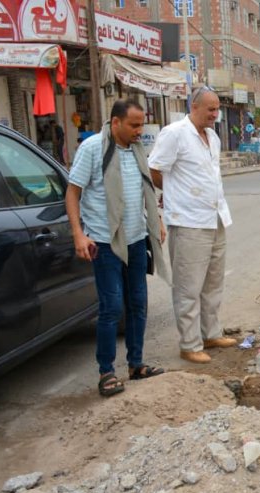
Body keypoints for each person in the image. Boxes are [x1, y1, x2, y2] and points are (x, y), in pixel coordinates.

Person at [65, 99, 168, 397]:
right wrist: (78, 235)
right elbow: (73, 193)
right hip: (104, 241)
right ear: (115, 123)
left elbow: (142, 190)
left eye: (141, 125)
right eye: (134, 125)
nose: (140, 131)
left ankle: (136, 364)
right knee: (111, 307)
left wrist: (155, 221)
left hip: (136, 239)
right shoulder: (93, 148)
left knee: (138, 303)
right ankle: (106, 372)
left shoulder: (136, 149)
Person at [148, 87, 237, 364]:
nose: (215, 114)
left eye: (217, 108)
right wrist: (175, 194)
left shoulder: (212, 136)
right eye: (210, 109)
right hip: (188, 221)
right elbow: (154, 169)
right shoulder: (174, 133)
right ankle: (189, 343)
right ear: (194, 106)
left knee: (213, 283)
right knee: (188, 286)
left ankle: (211, 333)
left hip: (216, 217)